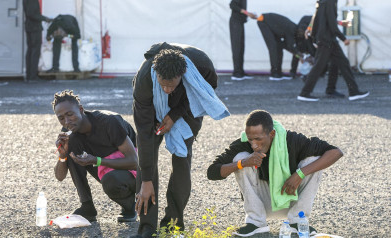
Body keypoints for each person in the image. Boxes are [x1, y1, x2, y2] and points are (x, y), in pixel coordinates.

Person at [131, 42, 230, 237]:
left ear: (183, 74)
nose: (166, 89)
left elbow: (205, 93)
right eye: (163, 84)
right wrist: (147, 180)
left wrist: (175, 114)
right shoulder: (144, 80)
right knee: (146, 161)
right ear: (155, 73)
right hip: (152, 107)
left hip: (187, 105)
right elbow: (143, 133)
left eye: (171, 85)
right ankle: (147, 226)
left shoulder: (202, 67)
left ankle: (173, 222)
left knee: (182, 159)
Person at [207, 110, 343, 237]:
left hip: (290, 197)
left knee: (313, 161)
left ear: (271, 134)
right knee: (240, 158)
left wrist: (299, 174)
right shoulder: (243, 144)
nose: (254, 145)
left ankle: (297, 223)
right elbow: (212, 172)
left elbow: (336, 152)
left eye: (258, 139)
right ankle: (256, 224)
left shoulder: (292, 140)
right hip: (263, 204)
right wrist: (242, 163)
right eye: (250, 139)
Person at [52, 90, 138, 223]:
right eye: (61, 118)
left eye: (70, 114)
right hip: (107, 169)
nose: (67, 121)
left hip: (135, 174)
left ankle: (129, 206)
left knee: (111, 180)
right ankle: (87, 207)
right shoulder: (69, 132)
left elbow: (134, 161)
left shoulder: (109, 121)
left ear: (81, 110)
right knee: (71, 146)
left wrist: (96, 160)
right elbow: (59, 176)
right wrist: (62, 156)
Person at [298, 0, 369, 101]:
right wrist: (343, 38)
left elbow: (320, 17)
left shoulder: (323, 1)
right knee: (319, 66)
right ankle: (304, 93)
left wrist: (313, 33)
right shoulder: (330, 1)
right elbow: (331, 24)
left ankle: (343, 91)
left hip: (326, 39)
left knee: (341, 63)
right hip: (327, 40)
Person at [296, 14, 345, 98]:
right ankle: (329, 89)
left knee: (323, 64)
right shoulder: (306, 30)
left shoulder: (310, 25)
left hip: (322, 39)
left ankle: (309, 87)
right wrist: (302, 57)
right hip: (323, 40)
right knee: (327, 63)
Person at [250, 13, 303, 81]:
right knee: (273, 47)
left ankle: (278, 71)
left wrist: (298, 54)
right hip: (264, 21)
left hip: (274, 28)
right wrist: (299, 55)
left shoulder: (295, 30)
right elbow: (290, 46)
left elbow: (287, 46)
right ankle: (274, 73)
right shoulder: (292, 30)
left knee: (279, 48)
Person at [23, 0, 52, 81]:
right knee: (35, 51)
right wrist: (45, 18)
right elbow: (32, 14)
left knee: (30, 51)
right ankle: (33, 76)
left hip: (29, 27)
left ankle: (29, 75)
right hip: (34, 27)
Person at [229, 0, 256, 81]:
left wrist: (249, 15)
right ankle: (236, 73)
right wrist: (247, 13)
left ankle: (240, 71)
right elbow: (232, 5)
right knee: (237, 48)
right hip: (235, 23)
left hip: (239, 23)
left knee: (241, 47)